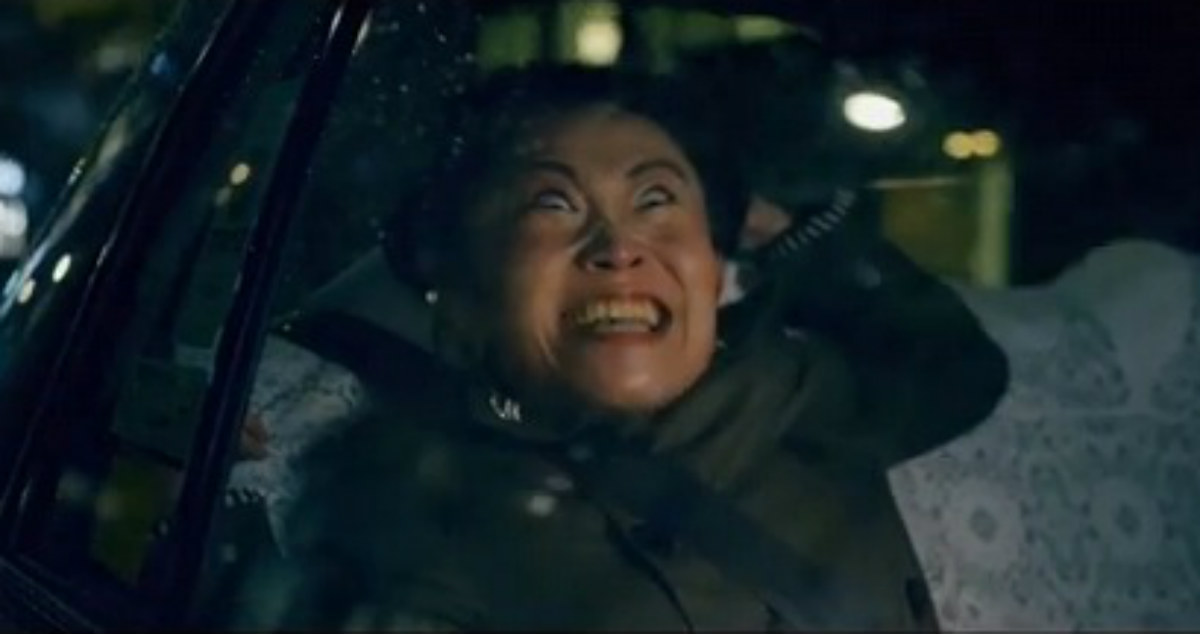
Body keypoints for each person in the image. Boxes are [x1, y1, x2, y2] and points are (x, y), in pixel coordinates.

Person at [222, 65, 1008, 631]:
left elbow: (953, 366)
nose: (620, 246)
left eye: (657, 198)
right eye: (553, 203)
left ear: (714, 266)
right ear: (462, 300)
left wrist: (783, 225)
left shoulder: (796, 395)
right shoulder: (407, 509)